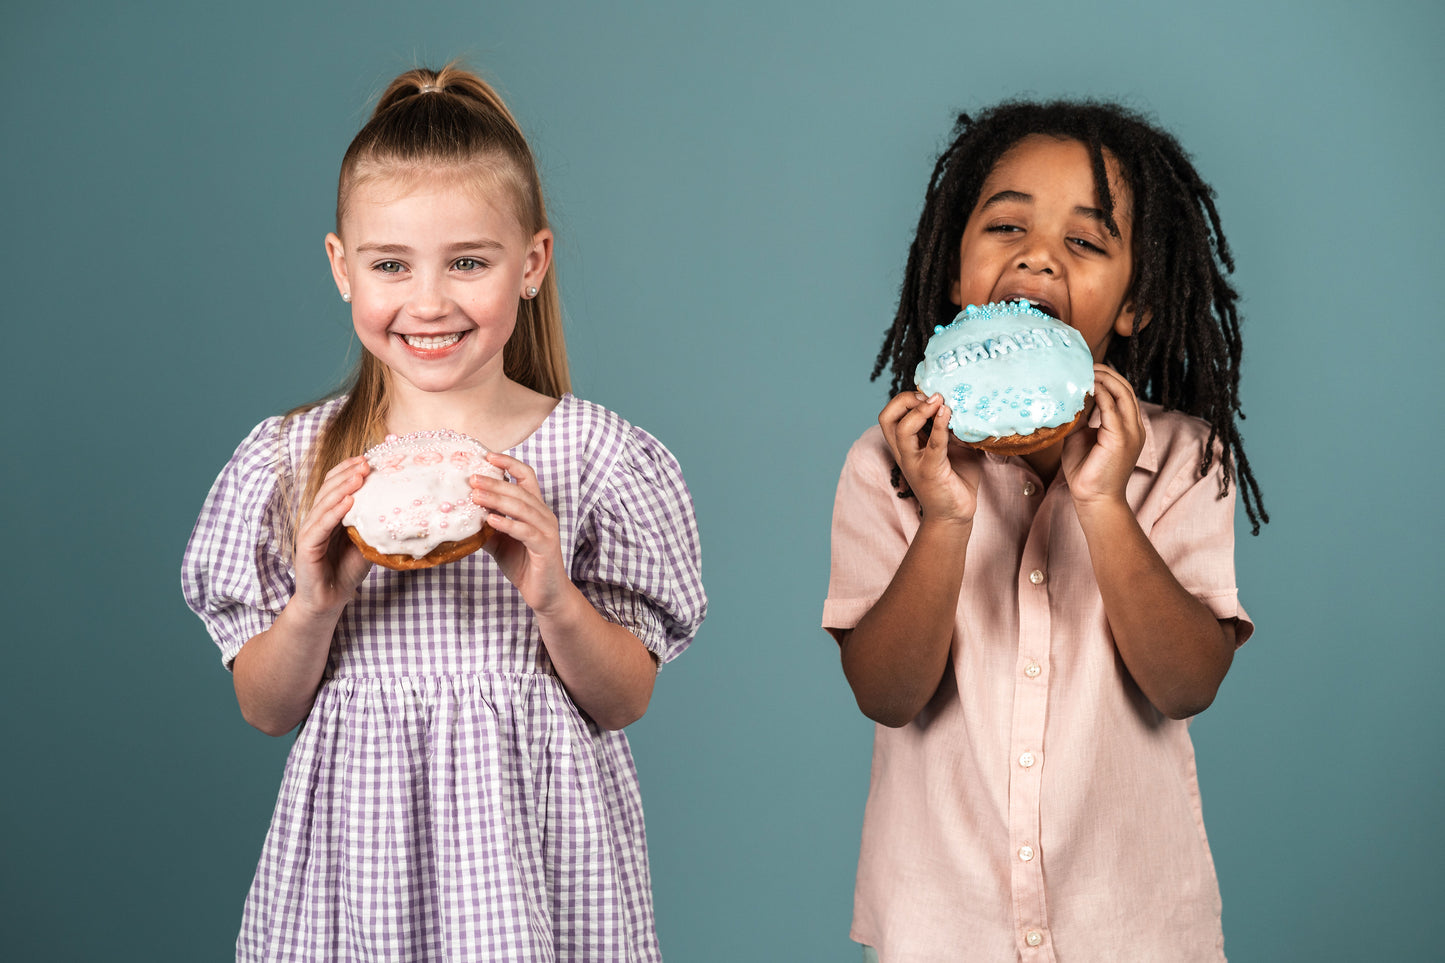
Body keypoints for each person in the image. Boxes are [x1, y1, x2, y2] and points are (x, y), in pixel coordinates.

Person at [182, 64, 706, 962]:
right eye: (390, 264)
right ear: (342, 268)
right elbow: (265, 709)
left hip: (536, 867)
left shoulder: (597, 457)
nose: (428, 302)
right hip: (359, 872)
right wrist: (313, 604)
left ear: (530, 264)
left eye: (468, 262)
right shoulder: (293, 461)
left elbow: (624, 700)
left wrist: (554, 597)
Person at [823, 101, 1267, 962]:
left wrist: (1103, 503)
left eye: (1085, 241)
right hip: (942, 928)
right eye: (1006, 226)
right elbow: (886, 694)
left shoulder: (1182, 458)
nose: (1037, 255)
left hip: (1132, 928)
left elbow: (1186, 684)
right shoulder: (887, 465)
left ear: (1135, 304)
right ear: (955, 273)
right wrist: (945, 517)